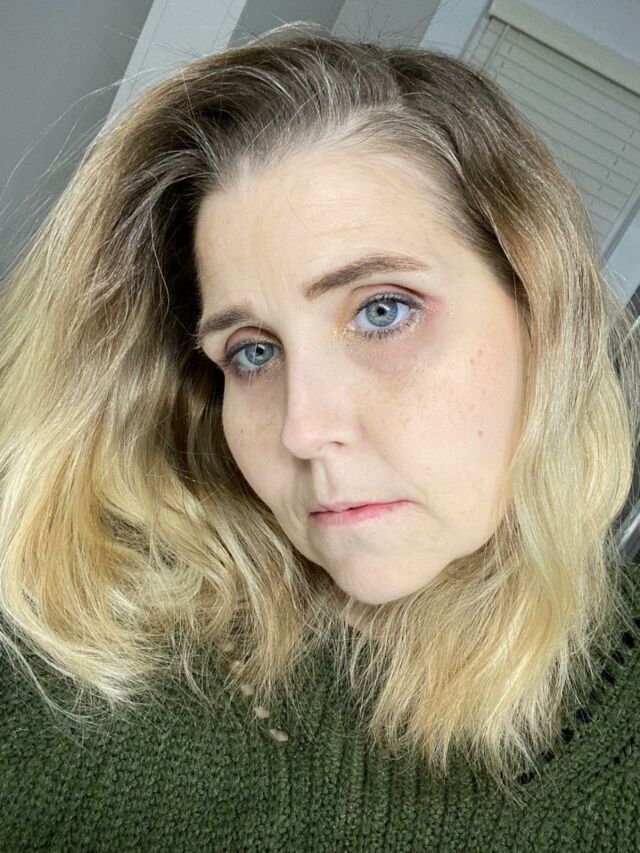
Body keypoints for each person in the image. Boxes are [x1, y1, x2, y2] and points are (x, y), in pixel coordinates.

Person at [1, 21, 639, 851]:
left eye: (383, 310)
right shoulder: (68, 682)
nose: (302, 429)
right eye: (253, 352)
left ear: (542, 314)